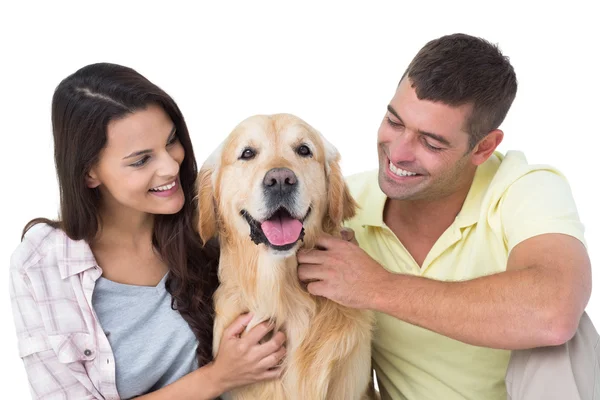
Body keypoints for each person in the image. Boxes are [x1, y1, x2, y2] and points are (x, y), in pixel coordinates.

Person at [298, 33, 599, 399]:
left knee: (564, 332)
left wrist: (375, 286)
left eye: (431, 142)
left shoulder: (525, 187)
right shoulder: (343, 204)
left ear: (483, 147)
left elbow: (554, 310)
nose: (399, 152)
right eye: (394, 122)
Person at [9, 63, 286, 400]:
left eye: (171, 141)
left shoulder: (217, 217)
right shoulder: (42, 265)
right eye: (141, 160)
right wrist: (218, 377)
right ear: (89, 174)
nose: (171, 167)